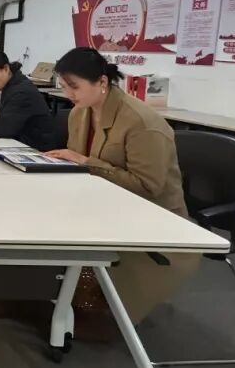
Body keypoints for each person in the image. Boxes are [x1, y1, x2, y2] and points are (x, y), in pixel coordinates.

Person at [45, 47, 199, 332]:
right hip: (101, 201)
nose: (68, 94)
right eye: (64, 86)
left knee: (71, 240)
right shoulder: (79, 113)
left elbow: (147, 187)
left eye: (74, 86)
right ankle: (44, 297)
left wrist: (85, 162)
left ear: (102, 82)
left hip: (149, 213)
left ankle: (91, 308)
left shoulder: (142, 122)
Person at [0, 49, 56, 151]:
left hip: (33, 149)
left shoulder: (22, 92)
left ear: (6, 69)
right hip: (10, 145)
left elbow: (3, 128)